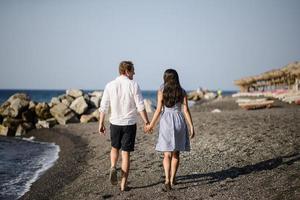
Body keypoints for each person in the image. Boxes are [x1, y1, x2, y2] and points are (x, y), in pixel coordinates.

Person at [98, 61, 150, 191]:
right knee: (126, 154)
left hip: (114, 123)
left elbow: (103, 107)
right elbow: (140, 106)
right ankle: (123, 185)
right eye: (133, 70)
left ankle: (112, 166)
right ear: (127, 71)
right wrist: (146, 122)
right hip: (129, 124)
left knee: (114, 148)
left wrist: (101, 124)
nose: (134, 73)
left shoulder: (110, 85)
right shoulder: (133, 85)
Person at [145, 69, 195, 191]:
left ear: (165, 78)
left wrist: (151, 125)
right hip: (179, 120)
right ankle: (173, 179)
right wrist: (191, 126)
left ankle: (167, 179)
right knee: (176, 153)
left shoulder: (161, 90)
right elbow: (186, 110)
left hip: (166, 121)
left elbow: (158, 110)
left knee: (167, 154)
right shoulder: (182, 91)